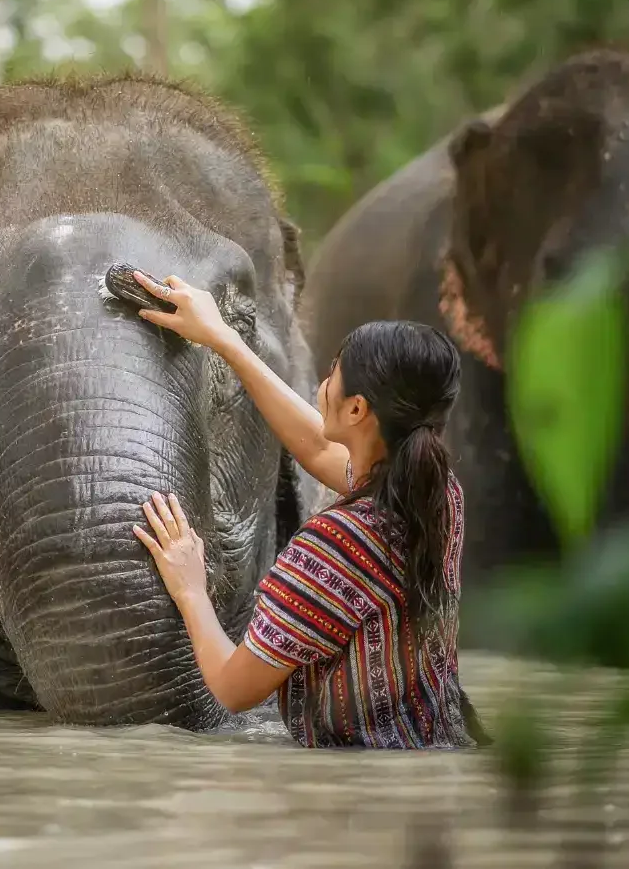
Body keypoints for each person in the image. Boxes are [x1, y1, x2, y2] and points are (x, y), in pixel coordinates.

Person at [126, 271, 482, 749]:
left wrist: (190, 588)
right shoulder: (438, 497)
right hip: (434, 747)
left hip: (358, 783)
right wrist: (224, 341)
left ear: (356, 410)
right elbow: (316, 447)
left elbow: (234, 690)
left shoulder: (334, 544)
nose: (323, 381)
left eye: (334, 371)